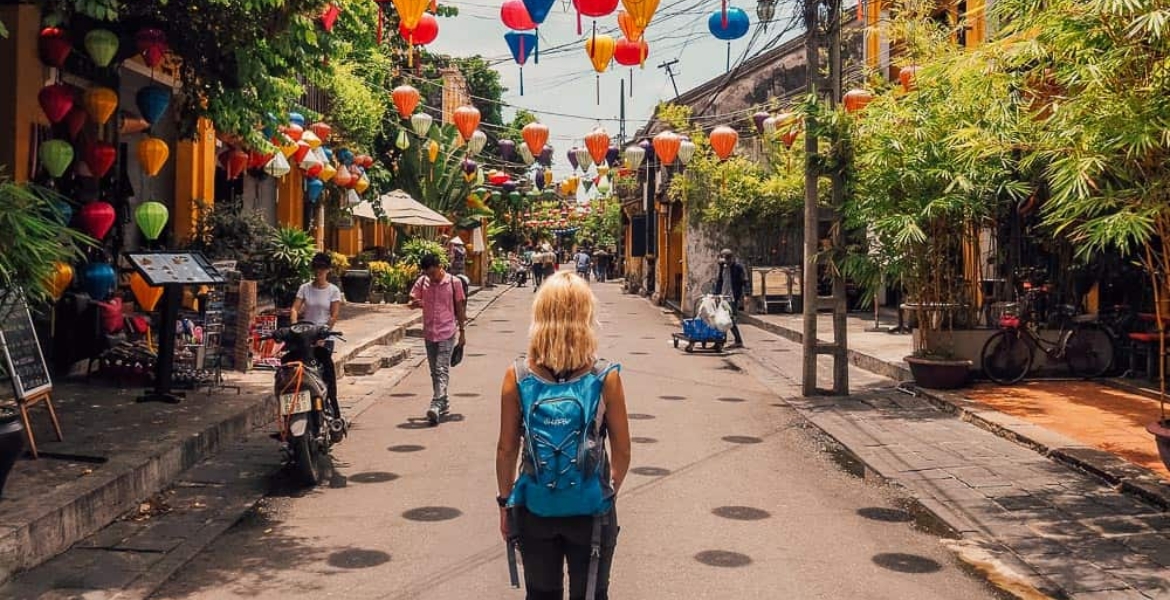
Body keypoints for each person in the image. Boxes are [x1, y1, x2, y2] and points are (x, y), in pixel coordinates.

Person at [496, 271, 631, 600]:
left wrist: (505, 505)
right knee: (591, 594)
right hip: (591, 512)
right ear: (586, 317)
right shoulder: (605, 377)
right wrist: (604, 492)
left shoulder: (518, 376)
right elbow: (623, 451)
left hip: (536, 509)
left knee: (542, 595)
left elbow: (506, 449)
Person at [410, 253, 467, 425]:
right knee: (434, 370)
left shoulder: (453, 282)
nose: (431, 277)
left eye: (433, 273)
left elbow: (460, 307)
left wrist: (462, 332)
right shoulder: (423, 281)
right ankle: (443, 400)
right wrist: (415, 302)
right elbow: (413, 297)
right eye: (428, 274)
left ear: (439, 267)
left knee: (441, 367)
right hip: (429, 332)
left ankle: (436, 403)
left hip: (447, 331)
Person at [290, 252, 344, 423]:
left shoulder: (333, 291)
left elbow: (334, 314)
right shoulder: (305, 288)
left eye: (322, 268)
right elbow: (295, 309)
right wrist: (294, 327)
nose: (318, 272)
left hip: (323, 337)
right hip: (305, 335)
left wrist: (324, 332)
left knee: (324, 372)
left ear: (328, 270)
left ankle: (332, 406)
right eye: (316, 268)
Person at [713, 248, 747, 349]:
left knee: (729, 320)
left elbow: (745, 281)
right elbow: (720, 281)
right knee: (721, 319)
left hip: (732, 297)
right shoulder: (723, 267)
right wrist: (716, 294)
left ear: (731, 258)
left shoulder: (738, 267)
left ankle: (737, 341)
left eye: (727, 259)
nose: (725, 261)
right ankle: (720, 342)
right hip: (723, 297)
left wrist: (746, 295)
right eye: (723, 259)